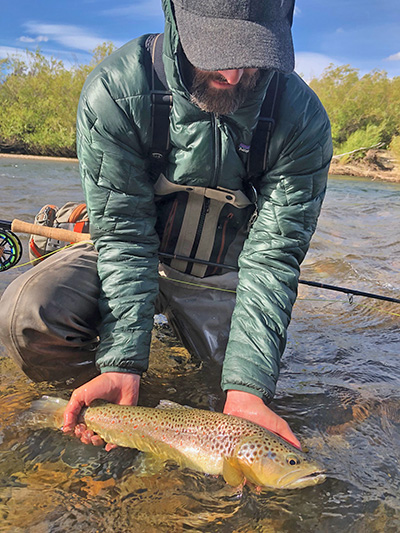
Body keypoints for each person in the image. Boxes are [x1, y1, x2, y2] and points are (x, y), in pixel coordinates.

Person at [0, 0, 332, 450]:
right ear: (175, 17)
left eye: (252, 53)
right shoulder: (117, 92)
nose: (234, 75)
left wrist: (247, 386)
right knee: (29, 315)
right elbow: (123, 238)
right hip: (129, 251)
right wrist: (121, 363)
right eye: (217, 50)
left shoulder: (302, 120)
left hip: (221, 275)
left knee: (226, 390)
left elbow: (273, 259)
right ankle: (104, 412)